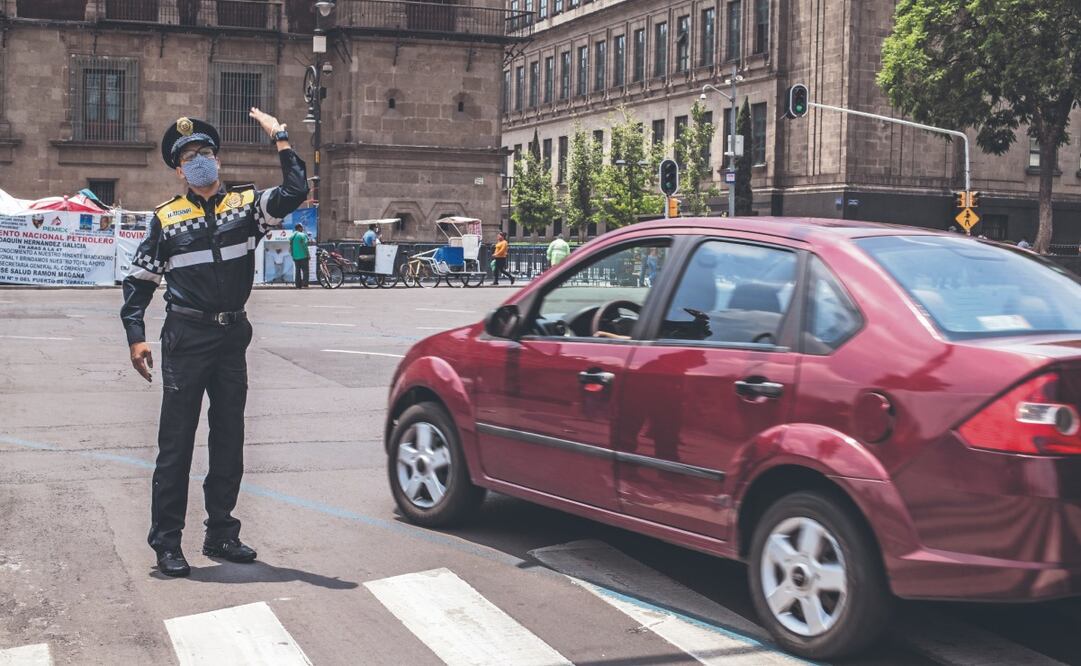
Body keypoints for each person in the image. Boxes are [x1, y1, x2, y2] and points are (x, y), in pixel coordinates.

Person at [120, 111, 308, 577]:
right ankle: (167, 543)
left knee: (229, 438)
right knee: (176, 444)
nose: (199, 161)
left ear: (216, 159)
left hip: (231, 337)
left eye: (205, 152)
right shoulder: (167, 219)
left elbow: (295, 193)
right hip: (185, 337)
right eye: (189, 157)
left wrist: (280, 138)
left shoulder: (247, 207)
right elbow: (139, 283)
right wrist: (136, 338)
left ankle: (221, 532)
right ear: (178, 170)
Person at [290, 223, 310, 288]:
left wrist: (292, 255)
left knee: (297, 271)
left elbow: (291, 247)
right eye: (302, 227)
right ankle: (305, 284)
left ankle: (298, 285)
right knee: (305, 271)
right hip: (303, 256)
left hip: (295, 257)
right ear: (299, 228)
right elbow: (305, 246)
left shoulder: (292, 236)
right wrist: (308, 254)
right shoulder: (302, 235)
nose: (303, 229)